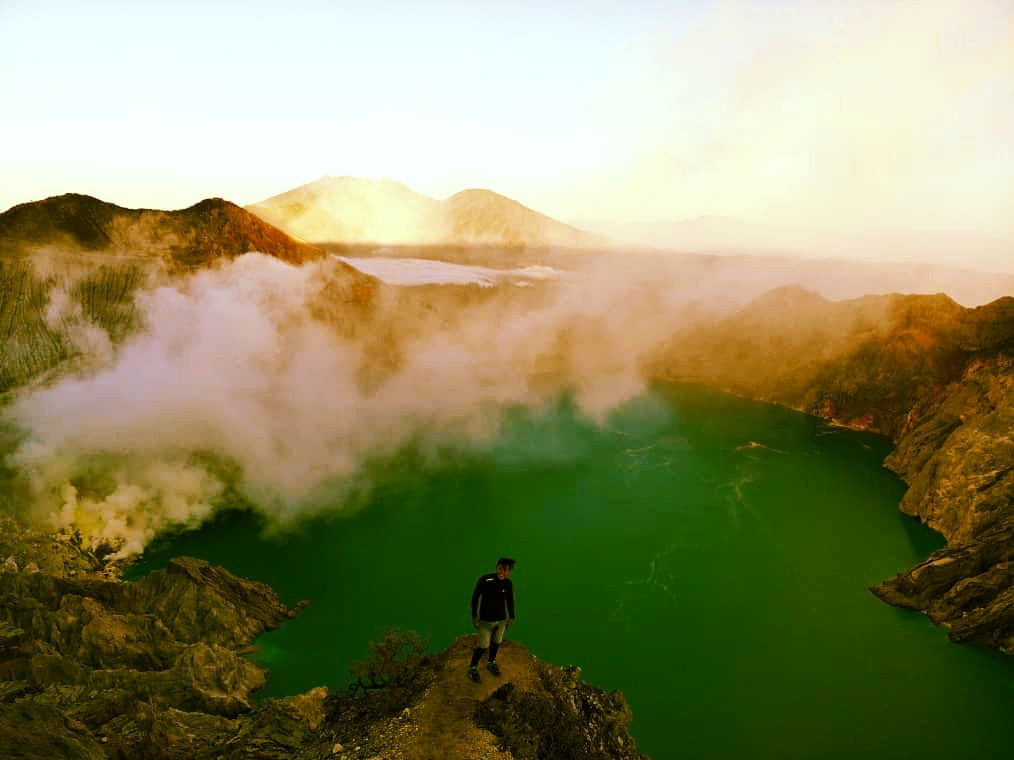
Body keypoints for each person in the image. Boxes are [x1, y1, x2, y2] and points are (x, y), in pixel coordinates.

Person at [467, 557, 516, 682]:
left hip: (501, 621)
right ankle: (472, 667)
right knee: (483, 645)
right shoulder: (485, 580)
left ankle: (491, 662)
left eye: (505, 570)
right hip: (485, 621)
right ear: (496, 567)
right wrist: (474, 616)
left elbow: (510, 601)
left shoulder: (508, 584)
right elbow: (475, 598)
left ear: (509, 571)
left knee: (497, 641)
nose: (501, 572)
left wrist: (512, 616)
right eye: (500, 568)